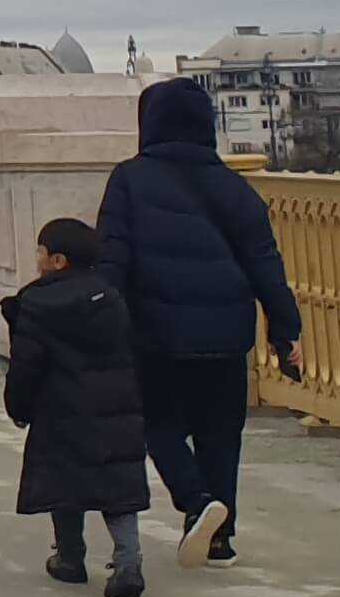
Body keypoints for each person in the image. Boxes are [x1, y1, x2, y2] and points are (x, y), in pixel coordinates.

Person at [97, 75, 303, 569]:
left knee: (158, 423)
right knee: (221, 432)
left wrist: (104, 324)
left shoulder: (129, 180)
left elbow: (112, 260)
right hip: (227, 332)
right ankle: (221, 537)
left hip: (155, 331)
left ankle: (196, 501)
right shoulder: (236, 188)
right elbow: (266, 265)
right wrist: (285, 332)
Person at [6, 217, 148, 596]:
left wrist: (19, 407)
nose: (37, 258)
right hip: (117, 408)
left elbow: (26, 365)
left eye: (40, 251)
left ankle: (70, 558)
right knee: (119, 486)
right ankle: (128, 562)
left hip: (60, 411)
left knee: (63, 479)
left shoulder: (37, 303)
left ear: (58, 261)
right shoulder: (111, 298)